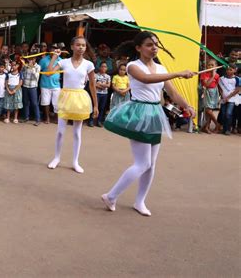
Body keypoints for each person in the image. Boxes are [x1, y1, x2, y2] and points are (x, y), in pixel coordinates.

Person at [101, 31, 195, 216]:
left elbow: (173, 93)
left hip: (154, 114)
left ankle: (140, 201)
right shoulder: (132, 66)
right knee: (142, 163)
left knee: (151, 164)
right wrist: (178, 73)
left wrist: (187, 105)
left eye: (156, 44)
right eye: (149, 45)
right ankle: (111, 195)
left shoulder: (161, 69)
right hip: (139, 113)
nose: (154, 48)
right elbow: (145, 79)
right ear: (138, 48)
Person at [46, 36, 98, 174]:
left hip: (80, 98)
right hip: (65, 97)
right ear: (72, 47)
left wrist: (96, 105)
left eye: (83, 45)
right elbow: (49, 73)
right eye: (78, 45)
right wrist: (54, 57)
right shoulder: (63, 62)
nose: (81, 47)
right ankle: (56, 157)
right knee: (60, 131)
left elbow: (92, 85)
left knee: (77, 132)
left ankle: (75, 161)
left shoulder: (88, 64)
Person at [39, 44, 62, 124]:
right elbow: (38, 70)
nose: (54, 51)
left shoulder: (60, 60)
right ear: (49, 51)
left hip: (56, 85)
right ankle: (47, 118)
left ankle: (56, 118)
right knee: (45, 102)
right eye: (53, 49)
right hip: (45, 84)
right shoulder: (43, 60)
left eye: (56, 50)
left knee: (57, 103)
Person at [200, 59, 220, 134]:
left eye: (212, 65)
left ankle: (206, 127)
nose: (210, 66)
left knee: (208, 111)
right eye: (209, 65)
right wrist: (212, 76)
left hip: (214, 93)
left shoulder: (217, 75)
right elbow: (206, 85)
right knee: (208, 110)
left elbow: (216, 84)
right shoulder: (204, 74)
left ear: (216, 66)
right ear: (206, 66)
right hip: (206, 92)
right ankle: (217, 124)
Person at [218, 64, 239, 135]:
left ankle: (228, 129)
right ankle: (224, 129)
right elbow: (220, 88)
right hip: (224, 99)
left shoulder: (237, 79)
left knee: (228, 114)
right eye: (227, 69)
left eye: (231, 69)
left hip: (232, 99)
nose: (228, 71)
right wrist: (222, 96)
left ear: (235, 70)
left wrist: (228, 97)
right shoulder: (222, 79)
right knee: (223, 114)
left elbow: (237, 90)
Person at [21, 56, 41, 126]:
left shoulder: (38, 66)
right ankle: (26, 117)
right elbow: (22, 73)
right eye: (29, 59)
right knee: (25, 103)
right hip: (25, 86)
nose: (30, 60)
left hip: (33, 87)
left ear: (35, 59)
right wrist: (24, 66)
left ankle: (37, 120)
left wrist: (32, 67)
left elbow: (36, 77)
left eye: (32, 59)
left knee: (34, 103)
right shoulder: (25, 65)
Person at [94, 62, 111, 127]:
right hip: (97, 93)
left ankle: (99, 121)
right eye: (102, 66)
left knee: (102, 108)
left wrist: (100, 84)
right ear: (99, 67)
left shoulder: (108, 76)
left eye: (105, 67)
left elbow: (108, 85)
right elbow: (94, 84)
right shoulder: (96, 75)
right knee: (95, 106)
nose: (104, 68)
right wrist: (103, 85)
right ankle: (91, 120)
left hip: (104, 94)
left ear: (107, 68)